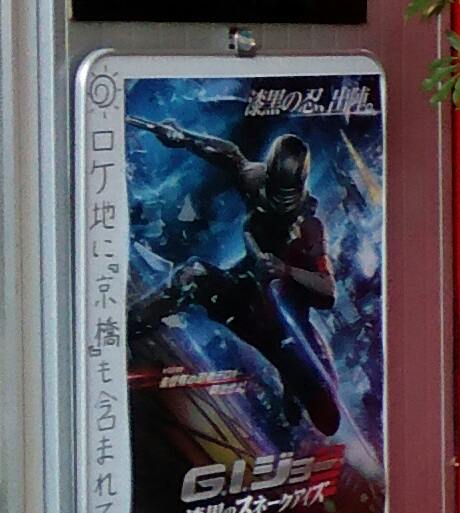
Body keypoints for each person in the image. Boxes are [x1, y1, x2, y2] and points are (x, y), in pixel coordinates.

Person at [130, 111, 346, 434]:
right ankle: (127, 329)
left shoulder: (308, 228)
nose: (277, 203)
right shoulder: (255, 181)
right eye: (274, 193)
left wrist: (286, 270)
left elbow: (328, 291)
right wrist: (184, 138)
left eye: (285, 197)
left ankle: (293, 389)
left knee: (326, 413)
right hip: (243, 295)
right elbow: (230, 155)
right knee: (192, 277)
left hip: (283, 325)